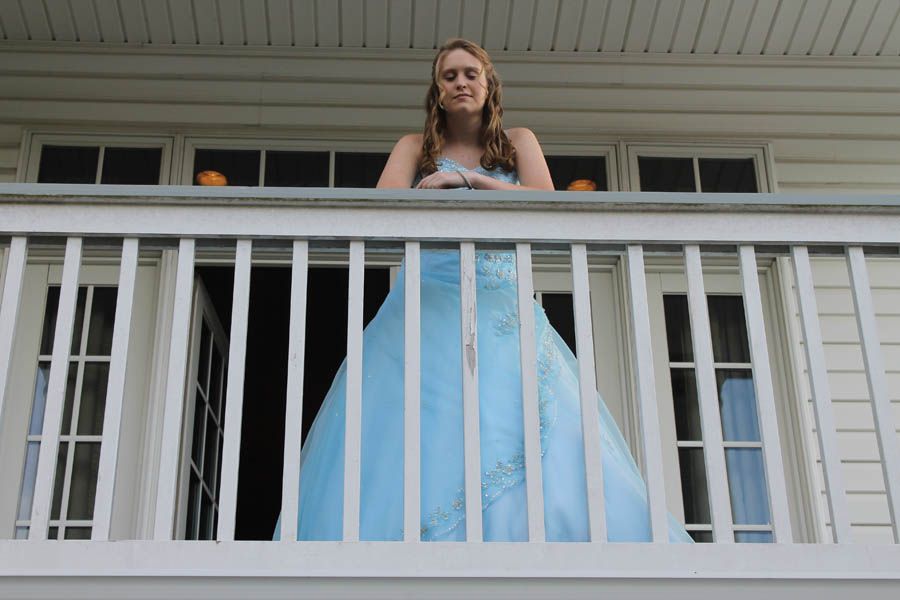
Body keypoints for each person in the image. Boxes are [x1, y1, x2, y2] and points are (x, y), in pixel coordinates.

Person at [274, 38, 692, 543]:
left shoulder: (517, 141)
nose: (461, 83)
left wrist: (470, 182)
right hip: (425, 304)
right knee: (421, 431)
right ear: (437, 91)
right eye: (449, 76)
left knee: (516, 423)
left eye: (471, 73)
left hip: (500, 306)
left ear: (489, 83)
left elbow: (546, 204)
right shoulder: (415, 148)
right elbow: (380, 210)